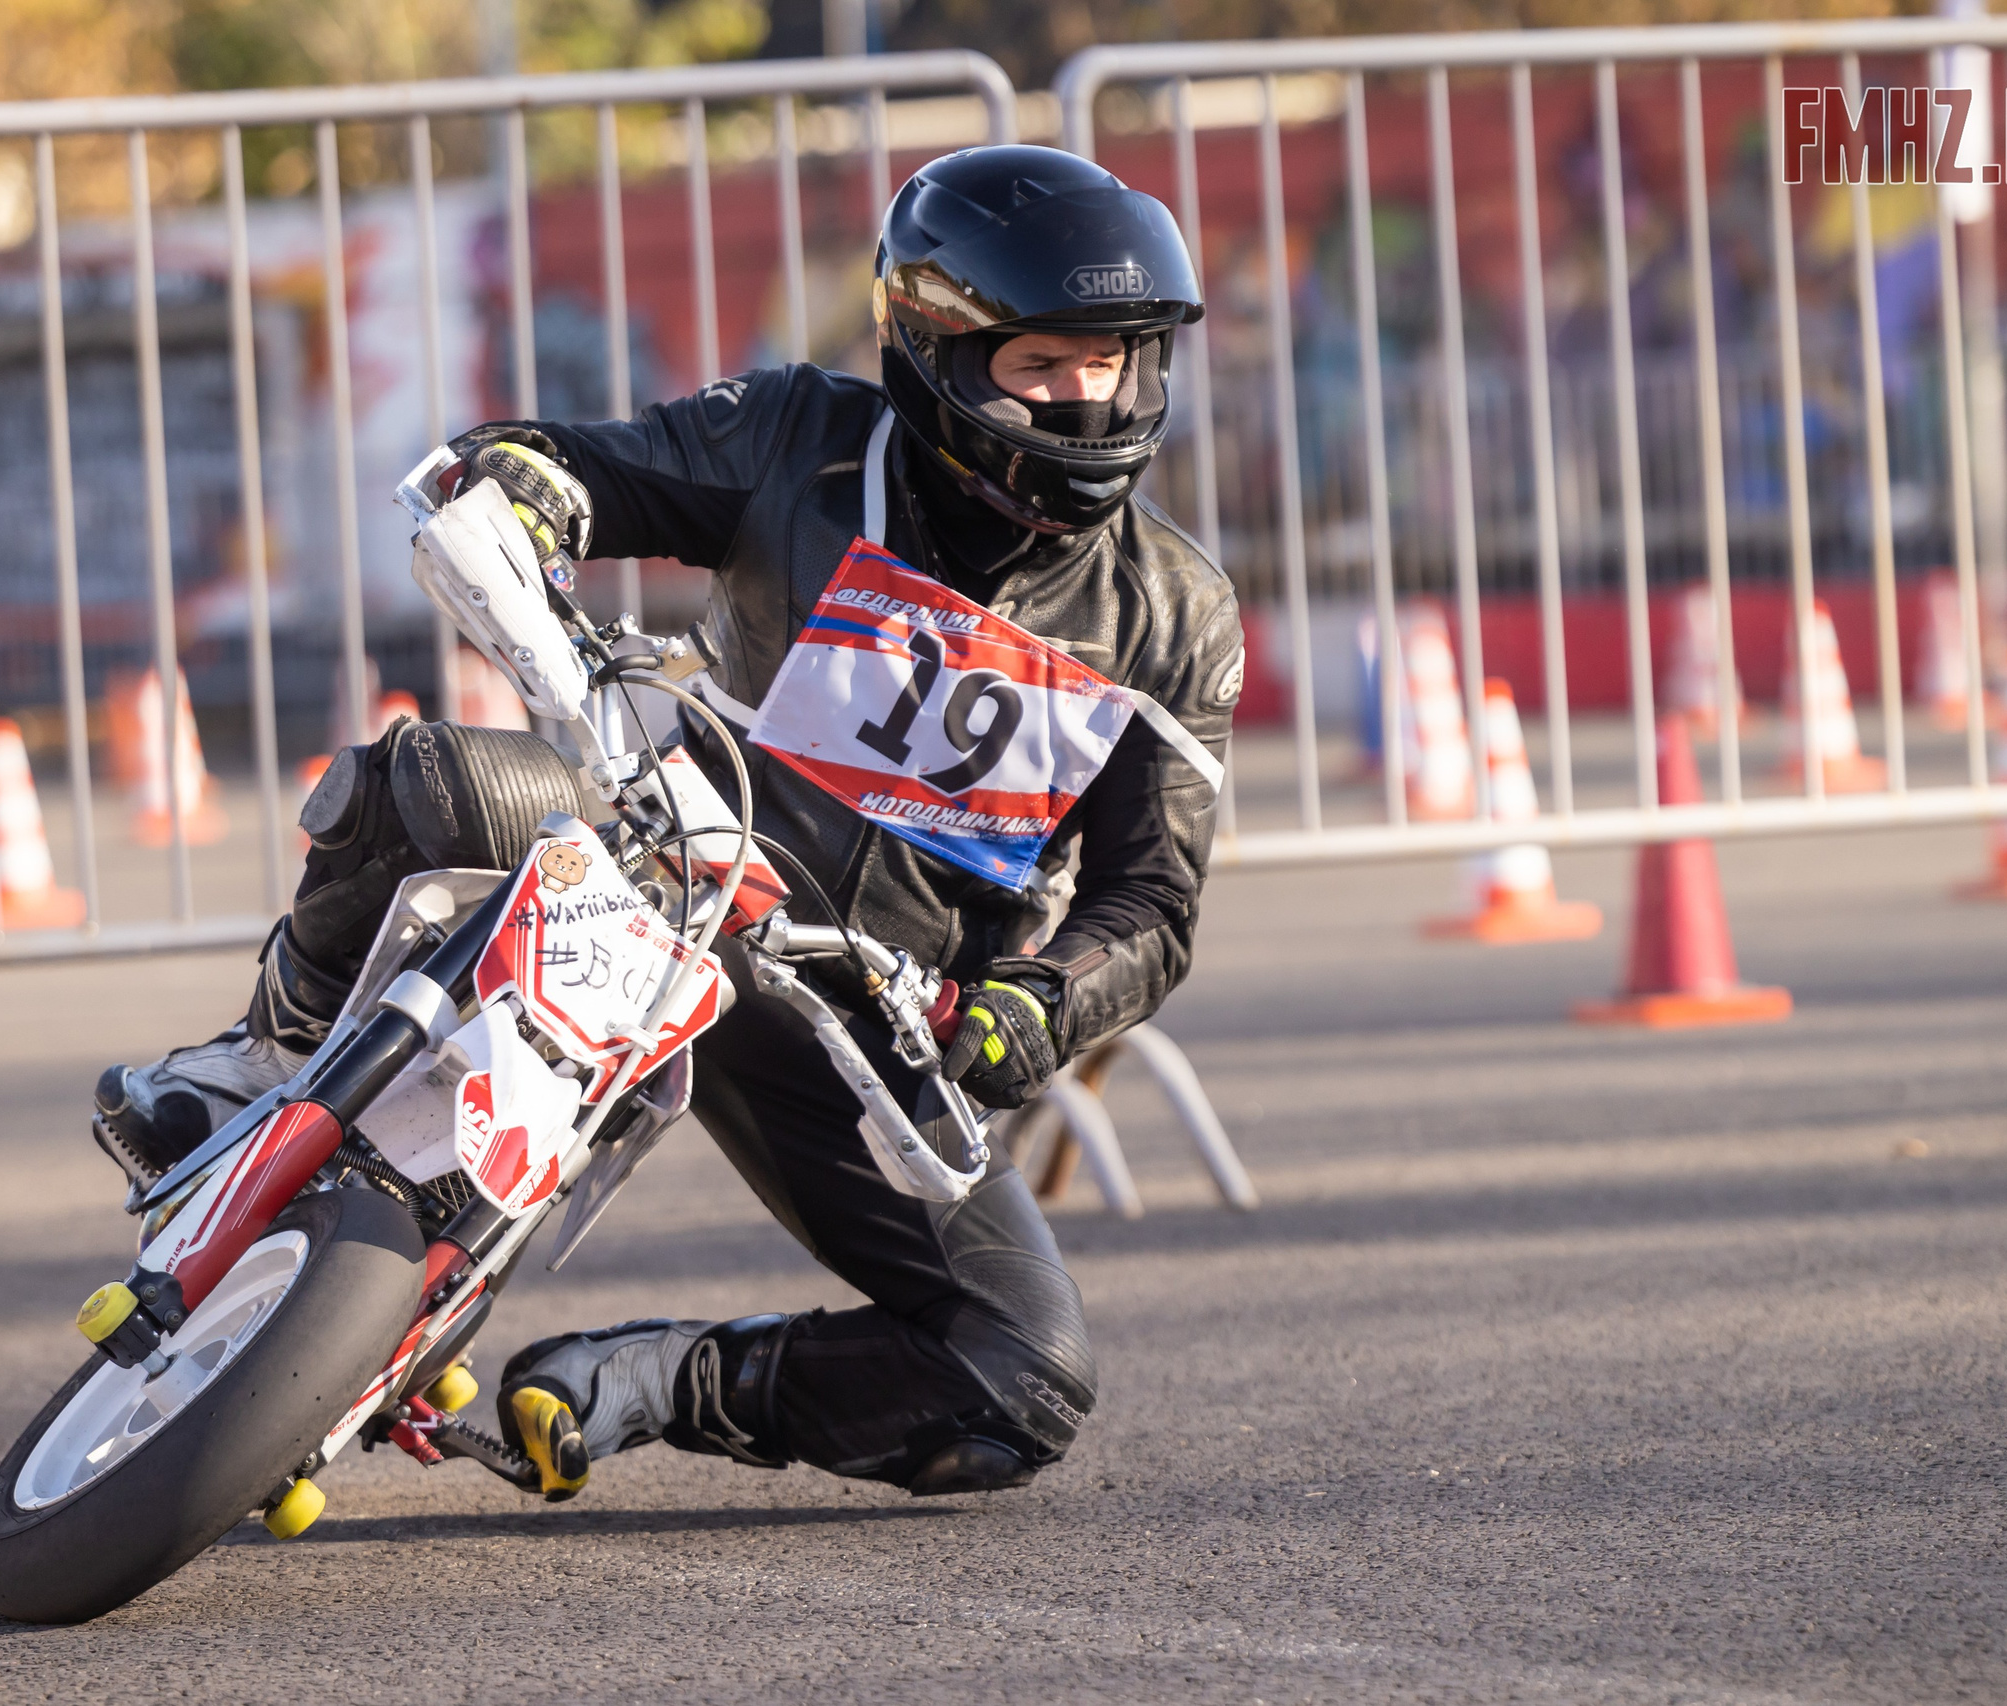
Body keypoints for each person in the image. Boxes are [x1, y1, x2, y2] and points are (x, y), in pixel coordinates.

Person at [92, 144, 1242, 1501]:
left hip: (865, 1018)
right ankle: (259, 1057)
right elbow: (583, 464)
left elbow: (1152, 902)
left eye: (1112, 361)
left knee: (1022, 1374)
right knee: (431, 780)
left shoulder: (1178, 616)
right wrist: (530, 484)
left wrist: (1040, 1003)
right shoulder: (801, 437)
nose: (1087, 399)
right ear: (938, 348)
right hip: (661, 869)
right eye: (1043, 364)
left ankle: (659, 1379)